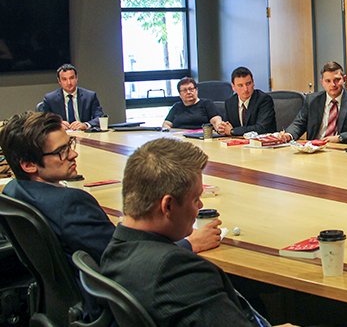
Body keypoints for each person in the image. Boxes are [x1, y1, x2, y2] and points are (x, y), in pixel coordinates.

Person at [0, 112, 222, 319]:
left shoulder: (12, 191)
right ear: (28, 165)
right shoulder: (70, 205)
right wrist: (188, 244)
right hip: (105, 309)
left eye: (70, 144)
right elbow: (123, 261)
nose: (73, 153)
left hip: (57, 306)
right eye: (62, 151)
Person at [100, 138, 292, 327]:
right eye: (195, 199)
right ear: (168, 206)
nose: (200, 206)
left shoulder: (114, 250)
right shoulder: (177, 271)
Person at [276, 61, 347, 144]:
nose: (333, 85)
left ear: (344, 79)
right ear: (322, 82)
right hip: (315, 148)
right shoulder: (312, 100)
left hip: (341, 149)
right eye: (328, 81)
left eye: (337, 80)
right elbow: (299, 124)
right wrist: (288, 135)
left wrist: (340, 138)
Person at [40, 63, 105, 130]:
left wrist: (86, 125)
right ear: (59, 81)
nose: (69, 83)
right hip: (61, 135)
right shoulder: (50, 99)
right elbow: (43, 121)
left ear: (76, 78)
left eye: (71, 78)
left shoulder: (90, 96)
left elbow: (100, 118)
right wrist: (57, 124)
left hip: (84, 134)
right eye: (64, 79)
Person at [217, 66, 276, 136]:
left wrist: (233, 131)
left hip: (262, 143)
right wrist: (222, 128)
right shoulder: (230, 103)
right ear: (233, 87)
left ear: (253, 83)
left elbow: (261, 128)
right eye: (240, 85)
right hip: (237, 144)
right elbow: (227, 127)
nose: (245, 89)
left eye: (248, 84)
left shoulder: (264, 100)